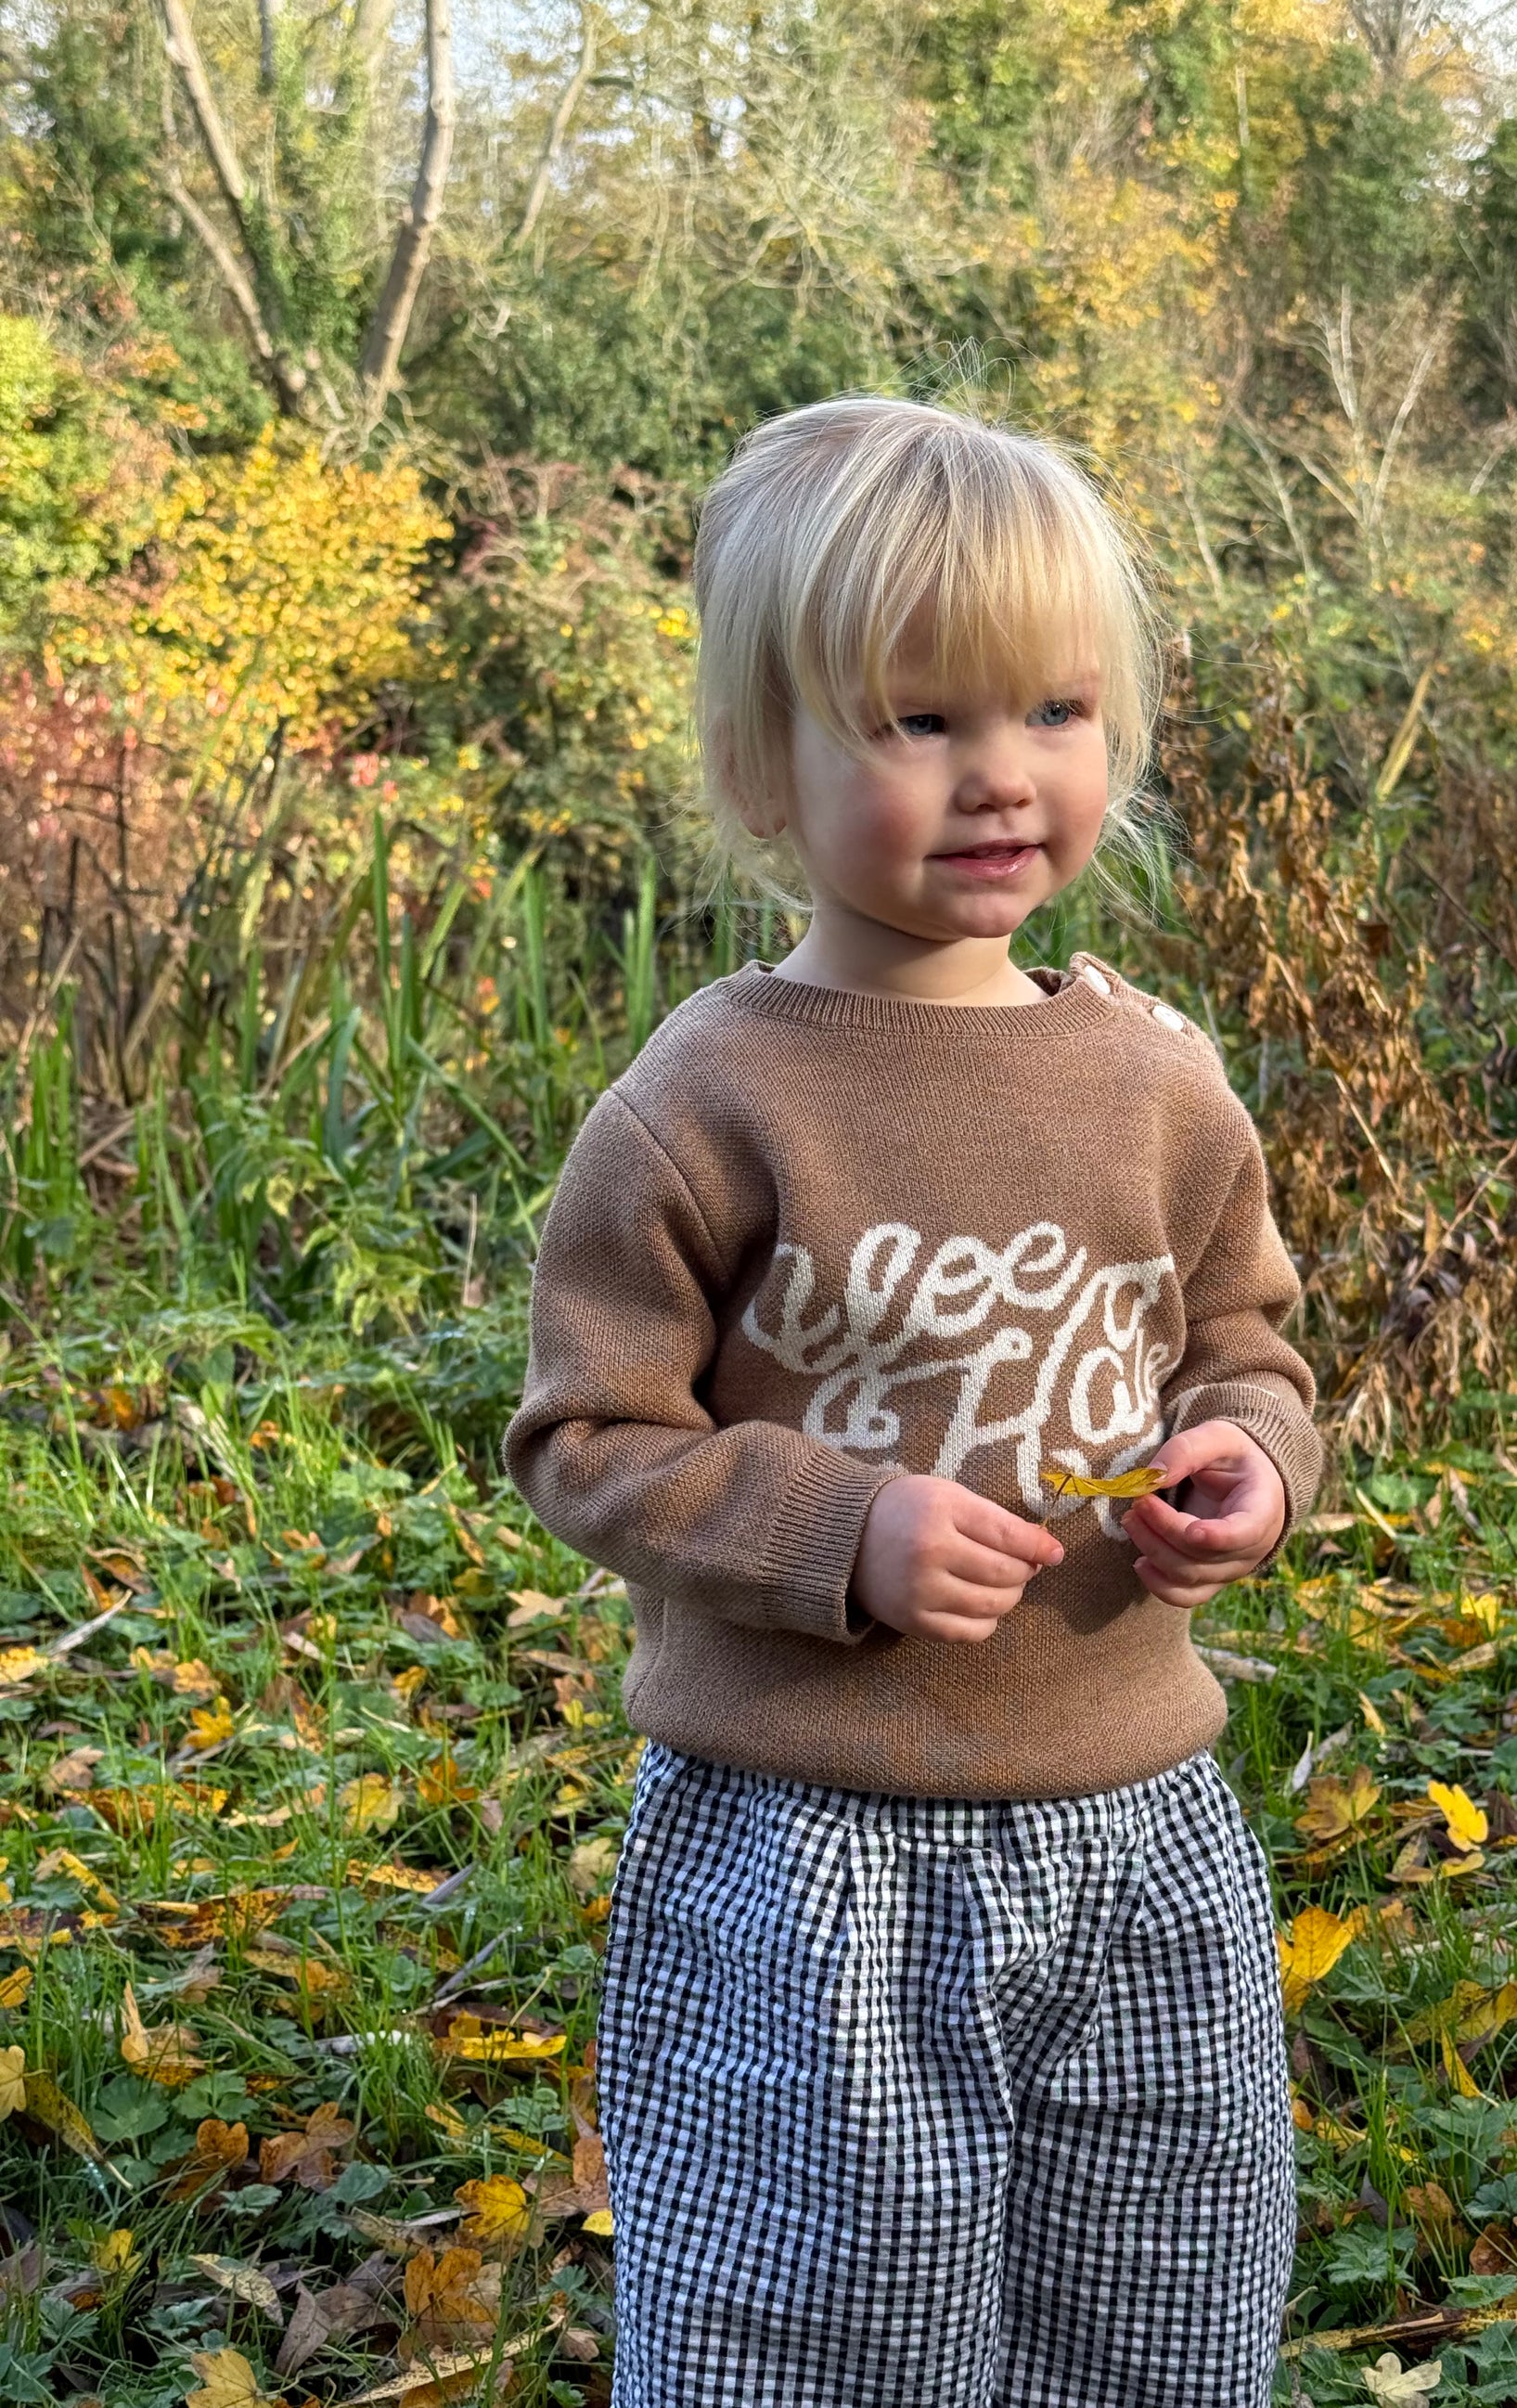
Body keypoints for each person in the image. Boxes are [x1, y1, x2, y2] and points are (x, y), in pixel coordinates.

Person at [504, 395, 1322, 2408]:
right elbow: (589, 1432)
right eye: (916, 720)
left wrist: (1250, 1457)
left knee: (1157, 2283)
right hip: (812, 1849)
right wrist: (834, 1526)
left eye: (1053, 709)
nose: (999, 773)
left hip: (1138, 1821)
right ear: (760, 766)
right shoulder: (711, 1099)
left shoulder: (1155, 1080)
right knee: (815, 2323)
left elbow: (1243, 1340)